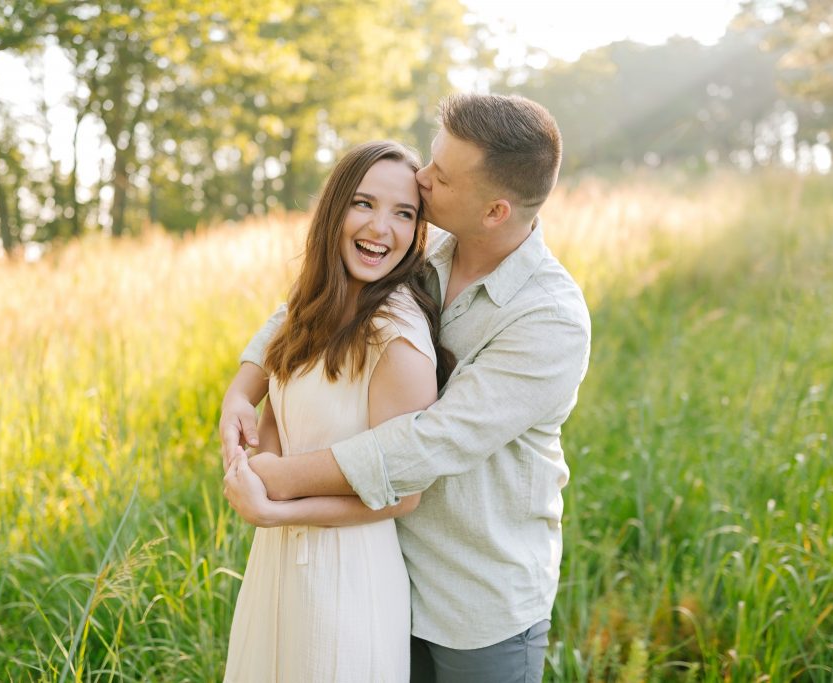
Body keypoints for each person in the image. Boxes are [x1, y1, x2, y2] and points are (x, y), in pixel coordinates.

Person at [223, 93, 591, 682]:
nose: (420, 178)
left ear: (494, 210)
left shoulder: (548, 320)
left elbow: (427, 443)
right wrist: (244, 387)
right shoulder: (428, 256)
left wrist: (277, 478)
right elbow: (317, 300)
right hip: (384, 571)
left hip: (475, 599)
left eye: (440, 175)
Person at [221, 140, 453, 682]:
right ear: (334, 209)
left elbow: (405, 493)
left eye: (404, 214)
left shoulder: (395, 335)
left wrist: (276, 509)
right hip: (276, 567)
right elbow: (276, 371)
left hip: (347, 579)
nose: (381, 228)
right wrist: (239, 396)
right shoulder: (315, 305)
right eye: (364, 203)